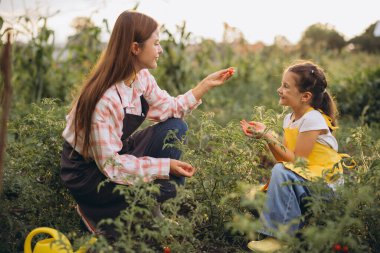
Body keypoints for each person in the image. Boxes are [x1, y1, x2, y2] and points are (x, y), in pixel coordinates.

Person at [60, 10, 234, 238]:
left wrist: (205, 85)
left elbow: (170, 109)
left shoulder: (140, 77)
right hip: (88, 175)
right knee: (169, 183)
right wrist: (163, 166)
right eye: (157, 43)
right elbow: (112, 166)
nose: (160, 50)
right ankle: (95, 211)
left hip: (114, 154)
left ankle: (145, 213)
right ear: (135, 48)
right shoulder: (105, 99)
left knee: (176, 128)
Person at [240, 60, 346, 252]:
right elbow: (285, 161)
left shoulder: (312, 118)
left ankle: (280, 238)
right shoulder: (289, 119)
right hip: (306, 181)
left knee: (279, 173)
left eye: (286, 86)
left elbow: (297, 163)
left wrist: (268, 136)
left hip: (325, 187)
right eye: (281, 84)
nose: (279, 89)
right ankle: (288, 229)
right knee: (254, 195)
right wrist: (266, 136)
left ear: (305, 96)